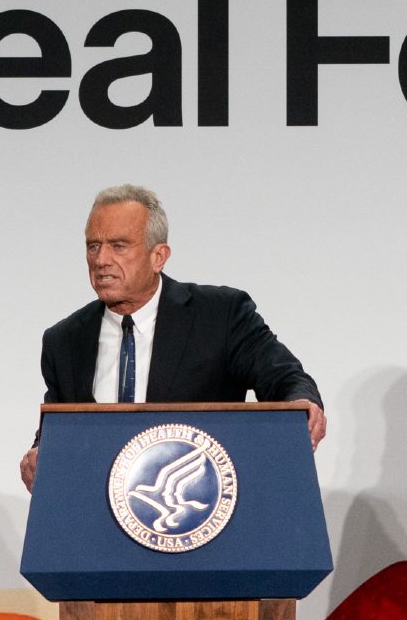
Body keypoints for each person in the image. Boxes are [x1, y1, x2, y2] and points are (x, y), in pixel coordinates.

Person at [19, 184, 325, 491]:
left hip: (202, 509)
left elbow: (284, 377)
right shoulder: (65, 340)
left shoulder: (221, 316)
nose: (101, 260)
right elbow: (60, 427)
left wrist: (301, 403)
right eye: (93, 246)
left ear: (158, 256)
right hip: (98, 515)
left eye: (119, 246)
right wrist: (39, 453)